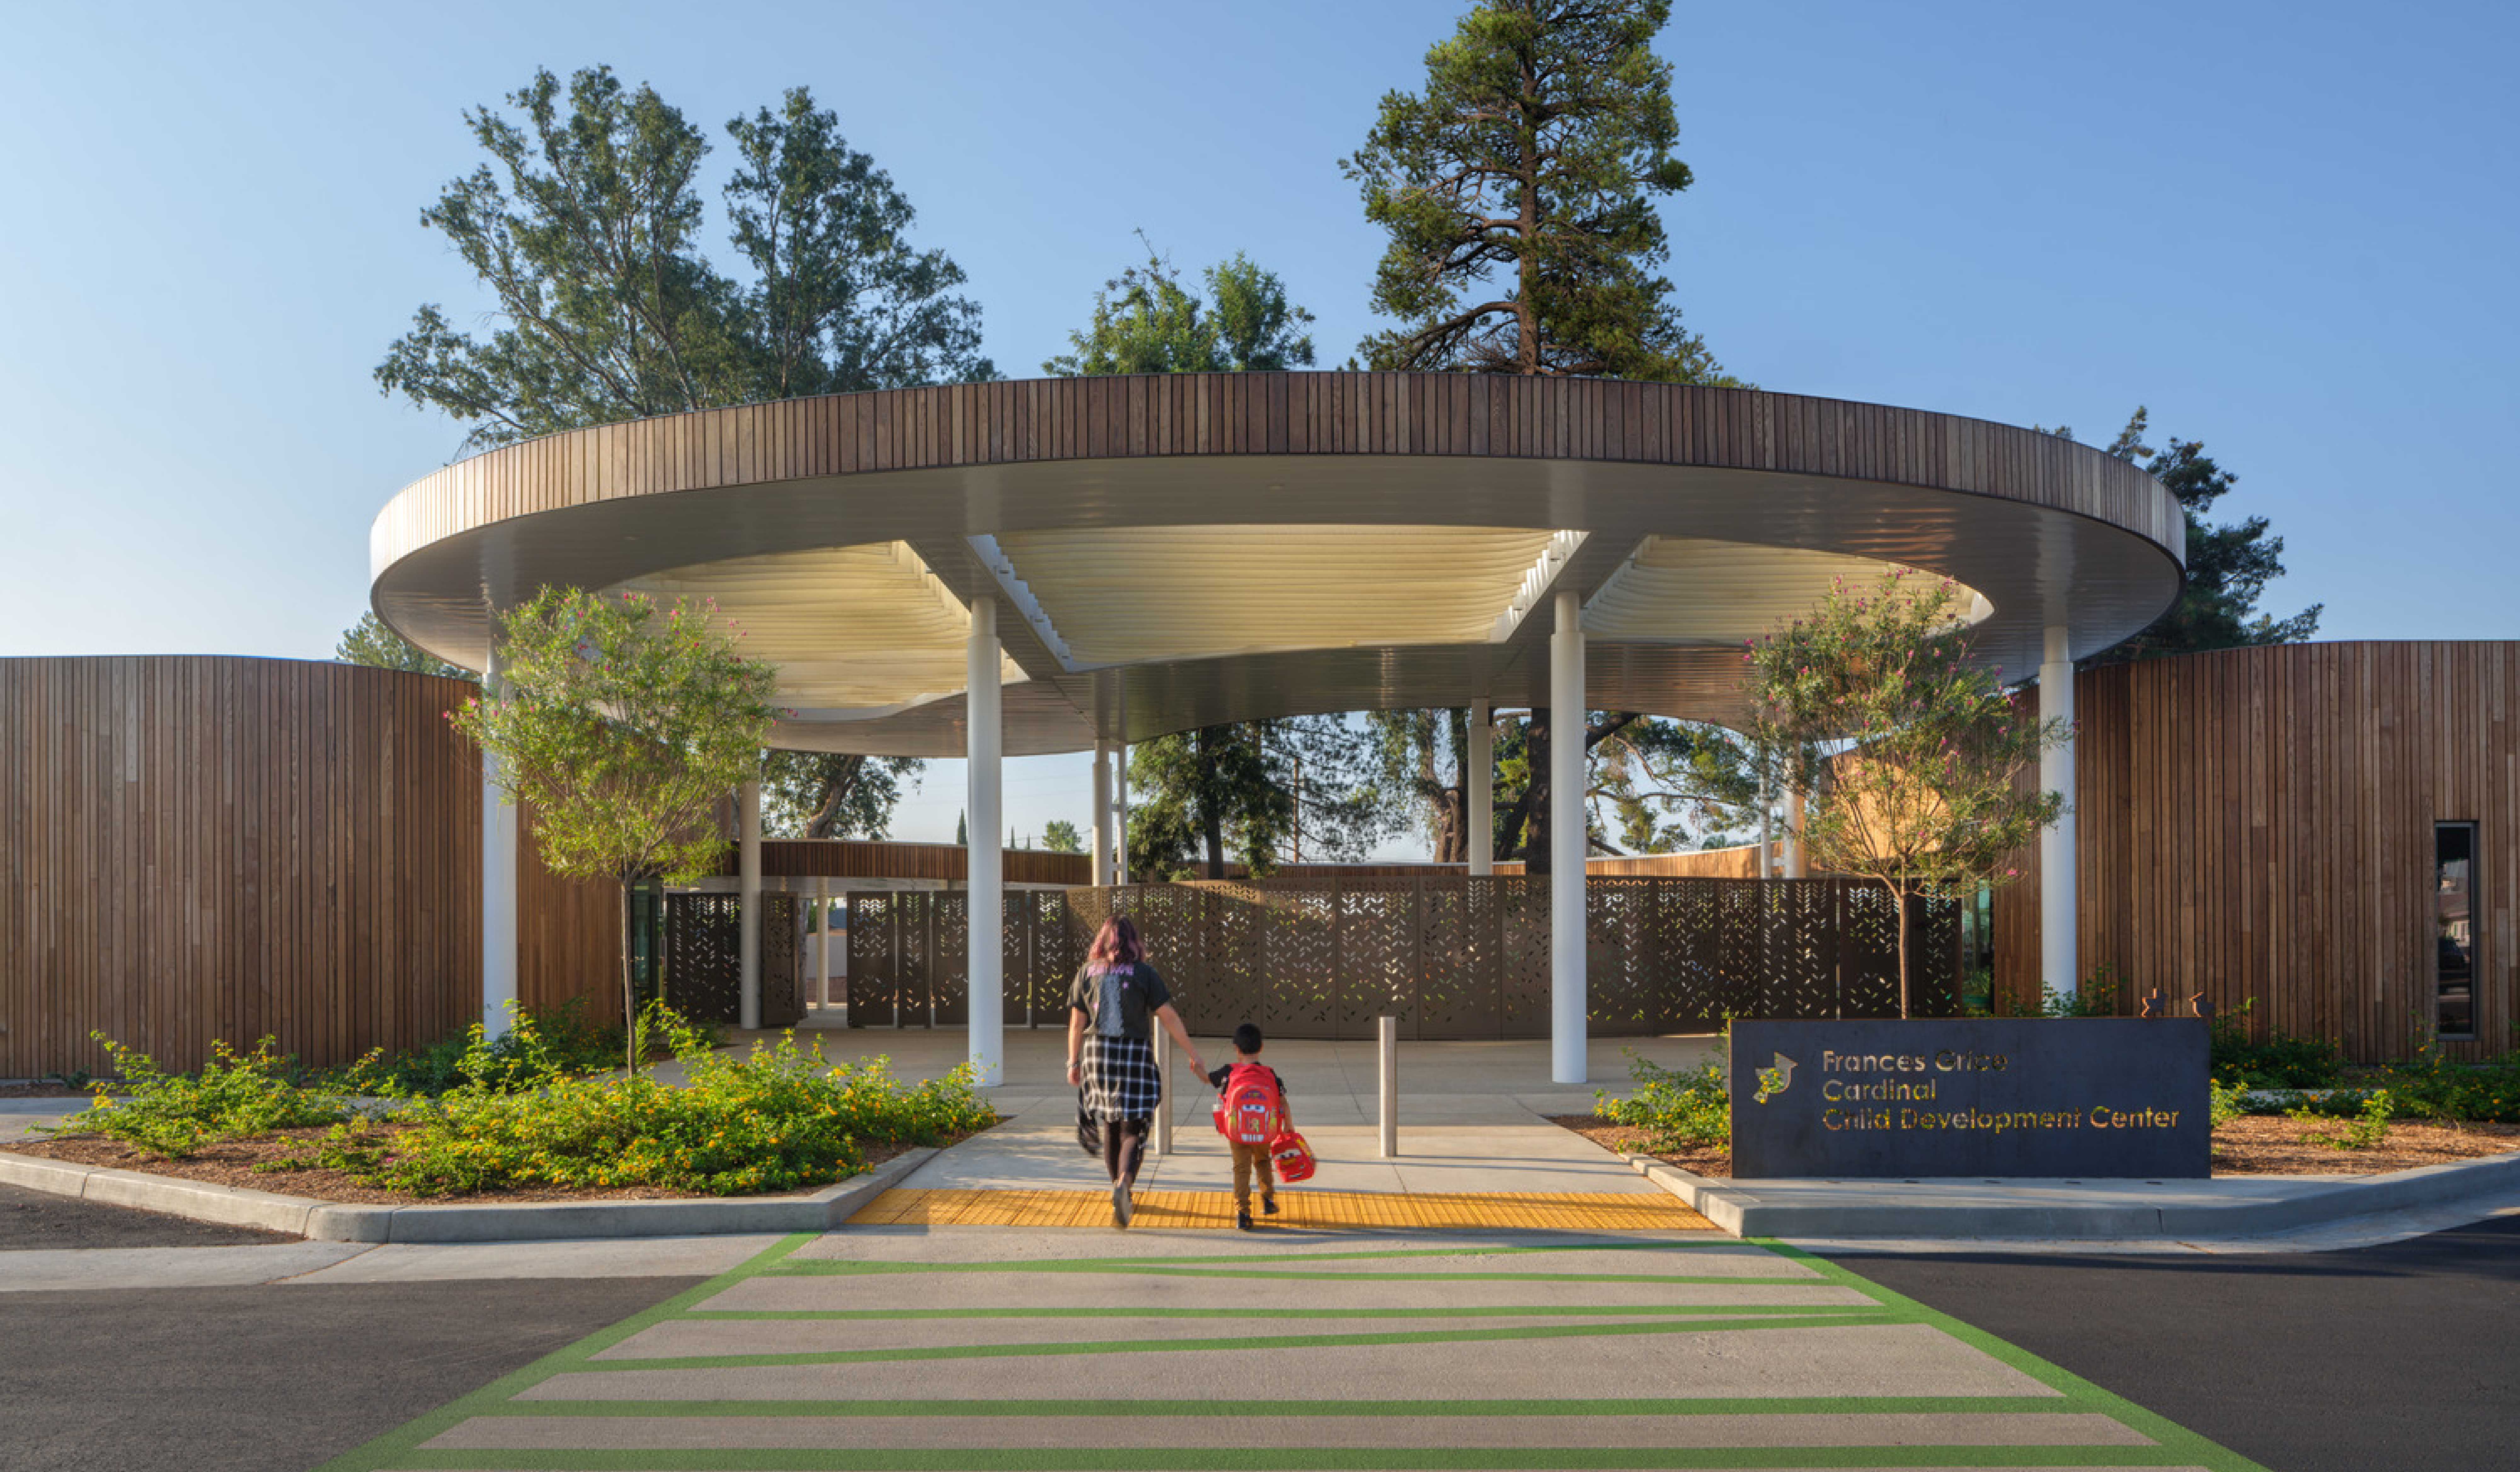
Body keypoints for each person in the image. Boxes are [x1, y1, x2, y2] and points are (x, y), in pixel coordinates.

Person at [1066, 915, 1205, 1226]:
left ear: (1103, 939)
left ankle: (1117, 1186)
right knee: (1134, 1125)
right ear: (1132, 940)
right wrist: (1193, 1053)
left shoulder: (1086, 972)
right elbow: (1167, 1015)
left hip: (1095, 1055)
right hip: (1132, 1053)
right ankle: (1124, 1184)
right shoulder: (1144, 973)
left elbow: (1077, 1022)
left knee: (1110, 1123)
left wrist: (1073, 1061)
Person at [1206, 1022, 1289, 1231]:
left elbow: (1208, 1079)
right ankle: (1268, 1200)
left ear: (1236, 1049)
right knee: (1263, 1161)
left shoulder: (1229, 1071)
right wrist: (1289, 1127)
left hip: (1237, 1130)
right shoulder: (1270, 1074)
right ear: (1261, 1048)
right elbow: (1283, 1102)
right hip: (1264, 1130)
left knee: (1241, 1169)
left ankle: (1243, 1213)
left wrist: (1197, 1067)